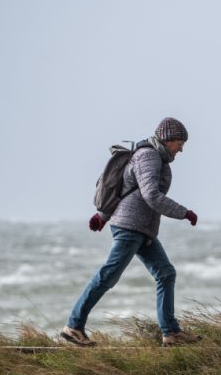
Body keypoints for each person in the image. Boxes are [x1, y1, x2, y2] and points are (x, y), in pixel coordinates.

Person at [62, 117, 201, 347]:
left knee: (166, 273)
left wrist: (103, 216)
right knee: (108, 275)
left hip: (141, 229)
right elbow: (151, 196)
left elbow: (126, 190)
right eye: (179, 142)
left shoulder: (156, 157)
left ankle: (171, 333)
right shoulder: (148, 156)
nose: (181, 149)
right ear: (167, 140)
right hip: (131, 227)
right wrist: (184, 212)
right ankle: (73, 326)